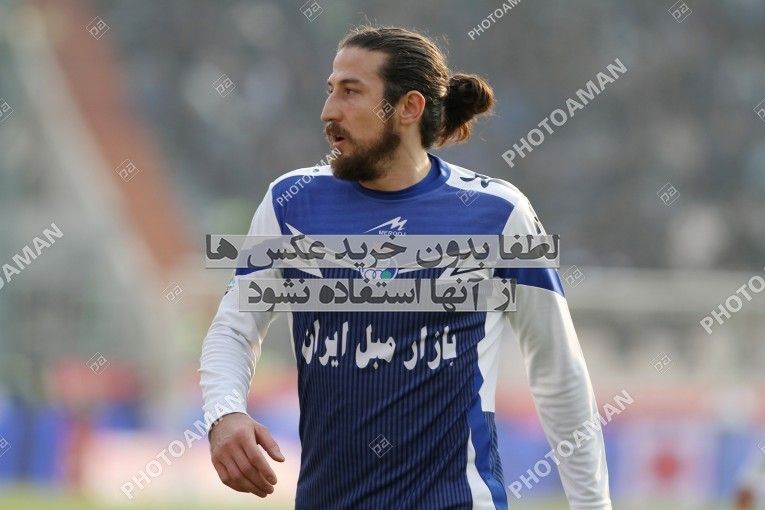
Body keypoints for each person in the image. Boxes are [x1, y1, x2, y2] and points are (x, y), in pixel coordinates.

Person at [199, 25, 612, 509]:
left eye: (351, 91)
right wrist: (224, 413)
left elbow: (559, 372)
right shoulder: (291, 202)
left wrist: (593, 506)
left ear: (409, 107)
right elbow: (234, 328)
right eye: (331, 89)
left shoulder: (499, 213)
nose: (329, 110)